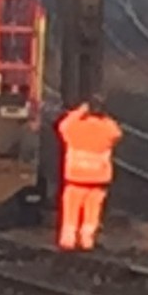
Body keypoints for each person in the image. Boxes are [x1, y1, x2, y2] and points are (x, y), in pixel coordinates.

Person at [55, 93, 123, 252]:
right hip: (98, 179)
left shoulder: (74, 128)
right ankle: (87, 241)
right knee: (92, 211)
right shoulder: (106, 130)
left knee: (71, 209)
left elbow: (62, 125)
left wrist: (79, 111)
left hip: (76, 178)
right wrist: (104, 117)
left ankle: (68, 240)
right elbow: (117, 132)